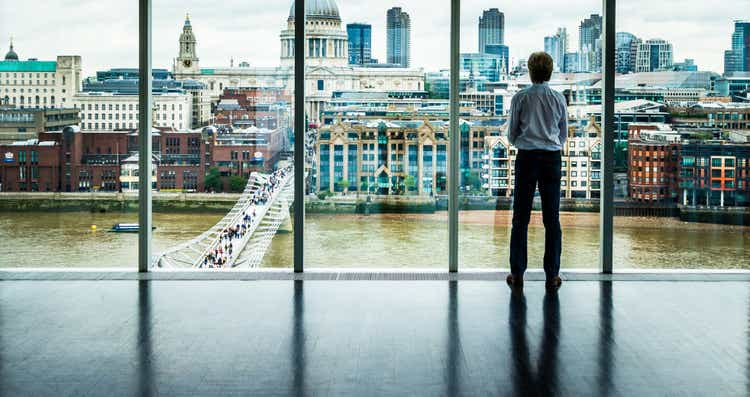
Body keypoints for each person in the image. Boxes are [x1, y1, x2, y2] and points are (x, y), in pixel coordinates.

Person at [506, 52, 567, 291]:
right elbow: (563, 134)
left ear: (530, 72)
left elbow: (511, 133)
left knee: (520, 218)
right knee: (552, 219)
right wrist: (551, 143)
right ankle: (552, 275)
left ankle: (517, 273)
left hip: (527, 158)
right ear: (550, 72)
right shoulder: (559, 98)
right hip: (552, 158)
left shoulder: (520, 98)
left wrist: (524, 140)